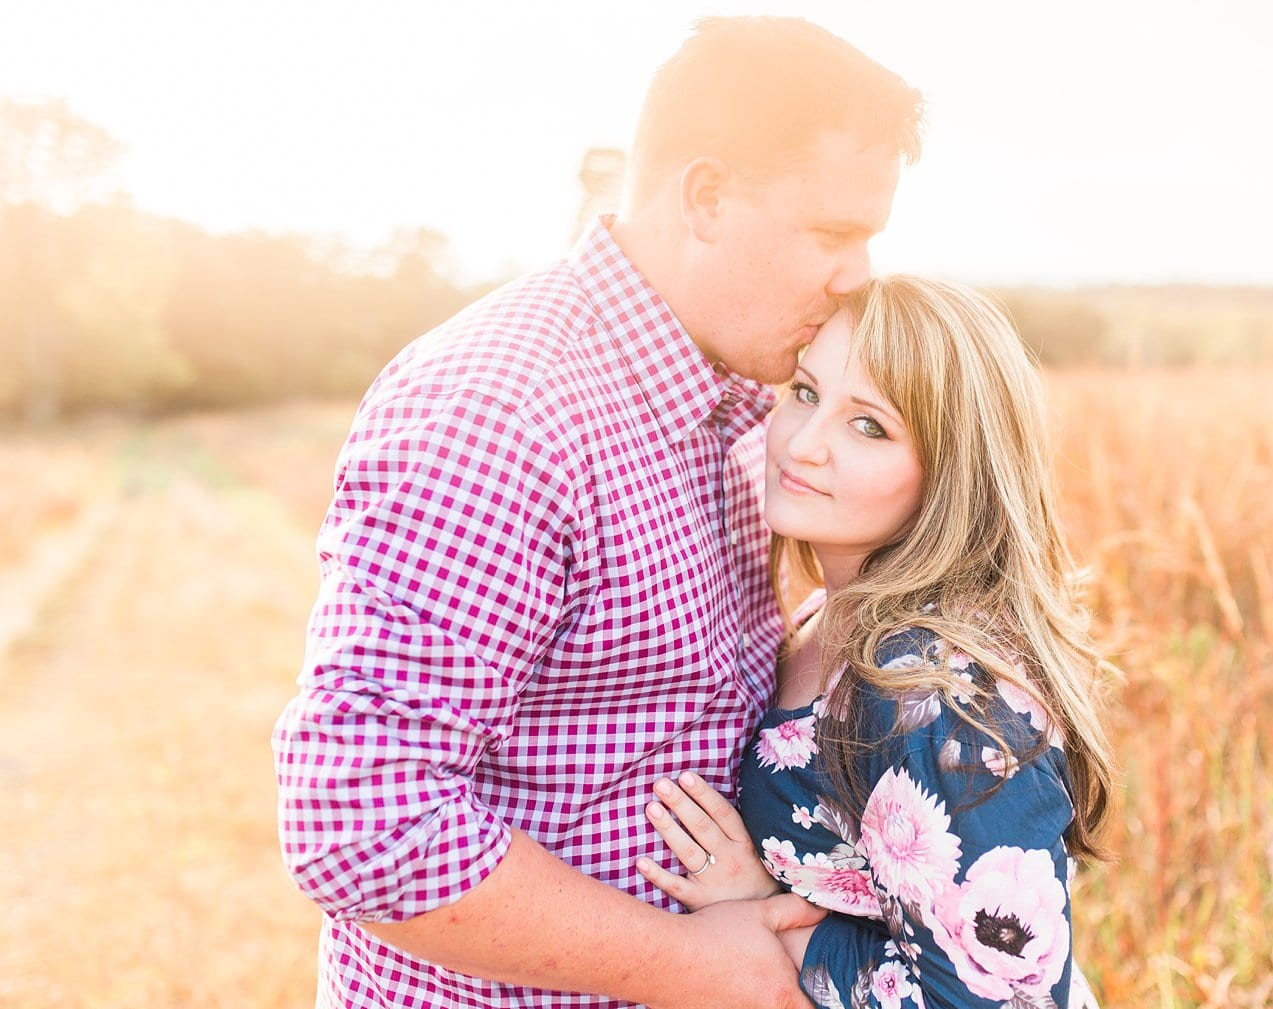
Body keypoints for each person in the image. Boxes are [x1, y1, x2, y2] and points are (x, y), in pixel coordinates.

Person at [270, 17, 922, 1009]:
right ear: (706, 197)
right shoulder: (499, 412)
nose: (857, 274)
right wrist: (694, 966)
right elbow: (364, 824)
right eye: (833, 232)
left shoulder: (746, 401)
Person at [633, 276, 1117, 1009]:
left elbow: (1000, 1002)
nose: (803, 442)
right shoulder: (830, 616)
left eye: (868, 426)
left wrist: (772, 926)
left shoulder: (931, 690)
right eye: (803, 391)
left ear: (948, 474)